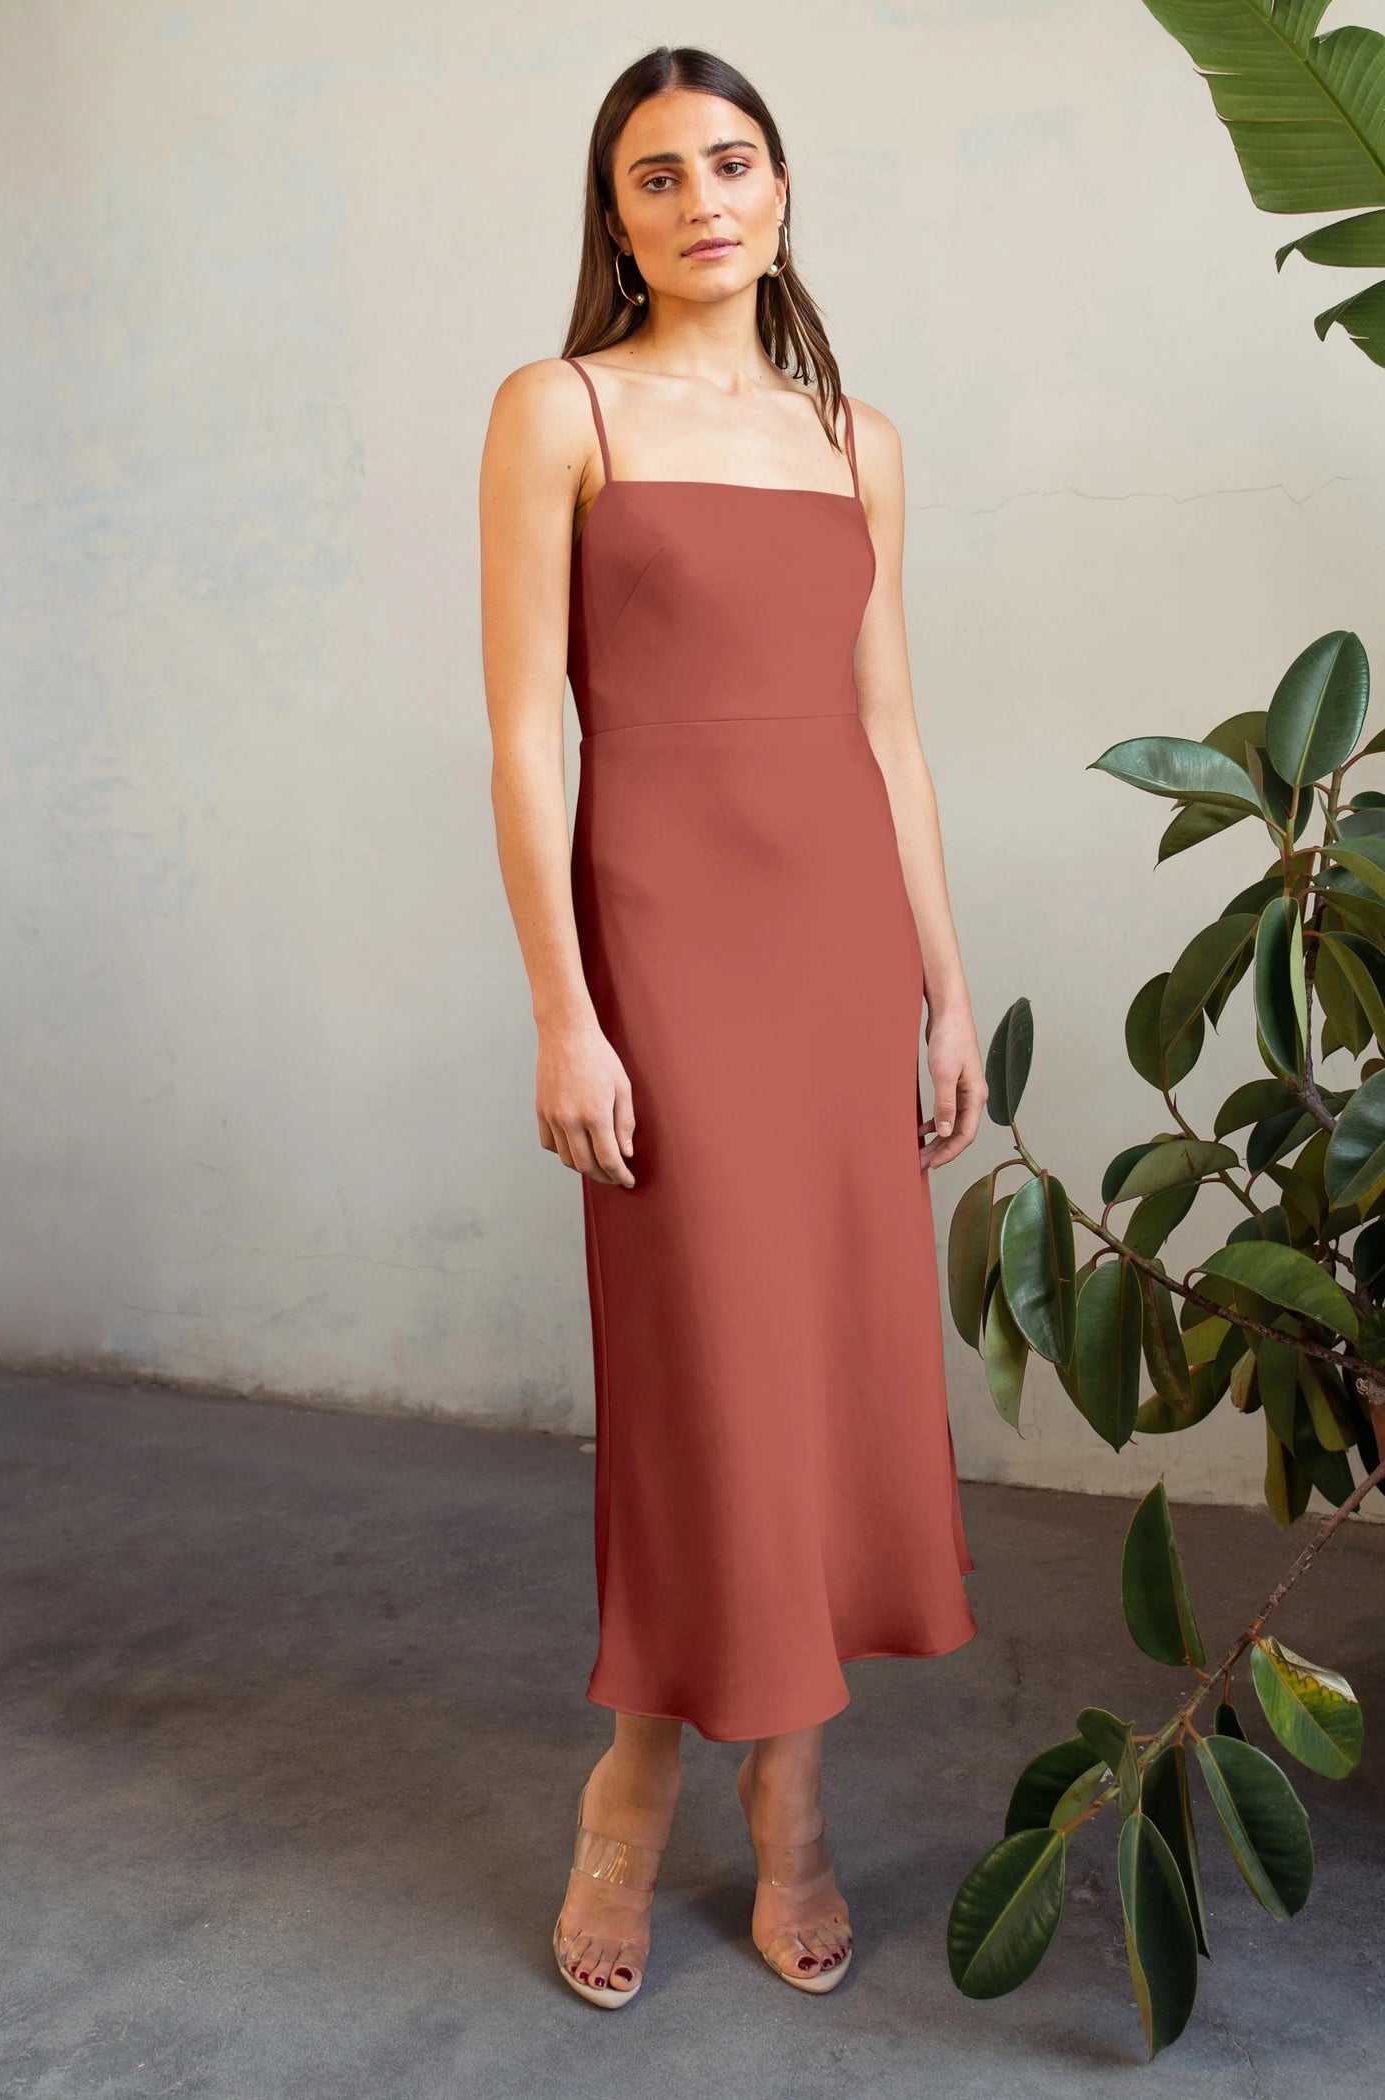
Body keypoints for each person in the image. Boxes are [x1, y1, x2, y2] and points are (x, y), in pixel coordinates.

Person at [479, 44, 986, 2009]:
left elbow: (888, 729)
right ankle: (632, 1779)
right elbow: (529, 729)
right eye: (657, 176)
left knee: (833, 1367)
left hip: (837, 947)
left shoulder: (854, 437)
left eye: (734, 162)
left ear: (782, 191)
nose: (703, 199)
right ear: (614, 219)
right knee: (704, 1377)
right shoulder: (560, 408)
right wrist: (563, 1007)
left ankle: (791, 1794)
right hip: (664, 948)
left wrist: (946, 985)